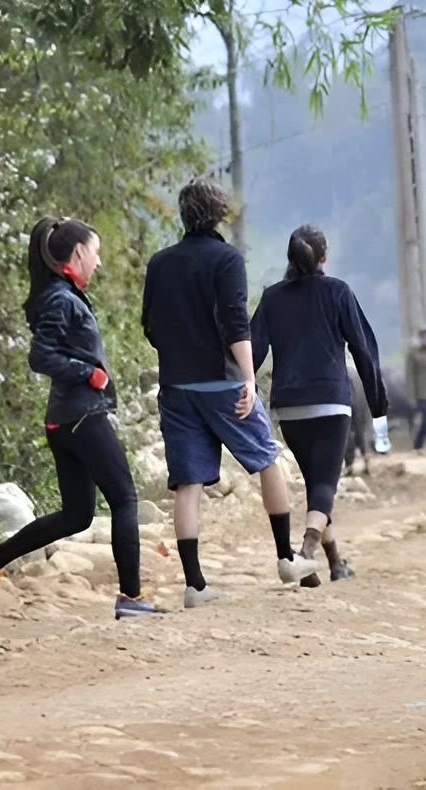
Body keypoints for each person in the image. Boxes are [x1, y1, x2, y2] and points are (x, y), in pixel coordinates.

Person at [0, 218, 162, 621]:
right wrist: (88, 373)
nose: (99, 261)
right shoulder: (61, 299)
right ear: (77, 253)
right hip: (82, 417)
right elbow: (41, 356)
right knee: (124, 499)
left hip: (65, 420)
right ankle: (130, 597)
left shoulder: (63, 295)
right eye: (96, 252)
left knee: (77, 515)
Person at [141, 177, 317, 609]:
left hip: (176, 386)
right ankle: (285, 558)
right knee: (267, 460)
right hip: (222, 384)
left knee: (188, 482)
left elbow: (150, 326)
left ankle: (195, 585)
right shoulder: (226, 259)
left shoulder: (160, 263)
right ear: (220, 212)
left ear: (184, 214)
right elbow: (235, 322)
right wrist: (247, 378)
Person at [251, 225, 387, 586]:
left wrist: (240, 389)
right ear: (323, 258)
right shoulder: (338, 292)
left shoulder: (272, 297)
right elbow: (363, 349)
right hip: (330, 404)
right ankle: (304, 556)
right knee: (326, 483)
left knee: (316, 485)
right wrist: (377, 402)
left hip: (290, 408)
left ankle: (334, 563)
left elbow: (251, 351)